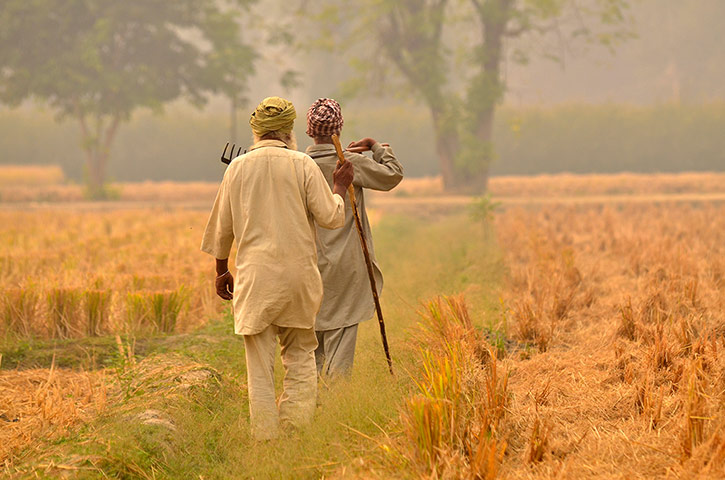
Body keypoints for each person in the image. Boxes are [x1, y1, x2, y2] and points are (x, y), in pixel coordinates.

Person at [201, 96, 354, 440]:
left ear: (256, 132)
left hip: (256, 280)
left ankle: (266, 439)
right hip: (299, 279)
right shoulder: (302, 165)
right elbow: (331, 218)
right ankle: (295, 433)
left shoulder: (237, 168)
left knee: (259, 368)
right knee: (300, 356)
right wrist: (340, 187)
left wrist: (221, 271)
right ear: (288, 131)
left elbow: (221, 229)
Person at [304, 98, 403, 378]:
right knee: (342, 335)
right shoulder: (349, 162)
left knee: (311, 341)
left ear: (309, 131)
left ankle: (310, 404)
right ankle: (335, 403)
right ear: (339, 129)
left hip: (309, 265)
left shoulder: (298, 166)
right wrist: (376, 147)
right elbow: (392, 176)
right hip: (348, 265)